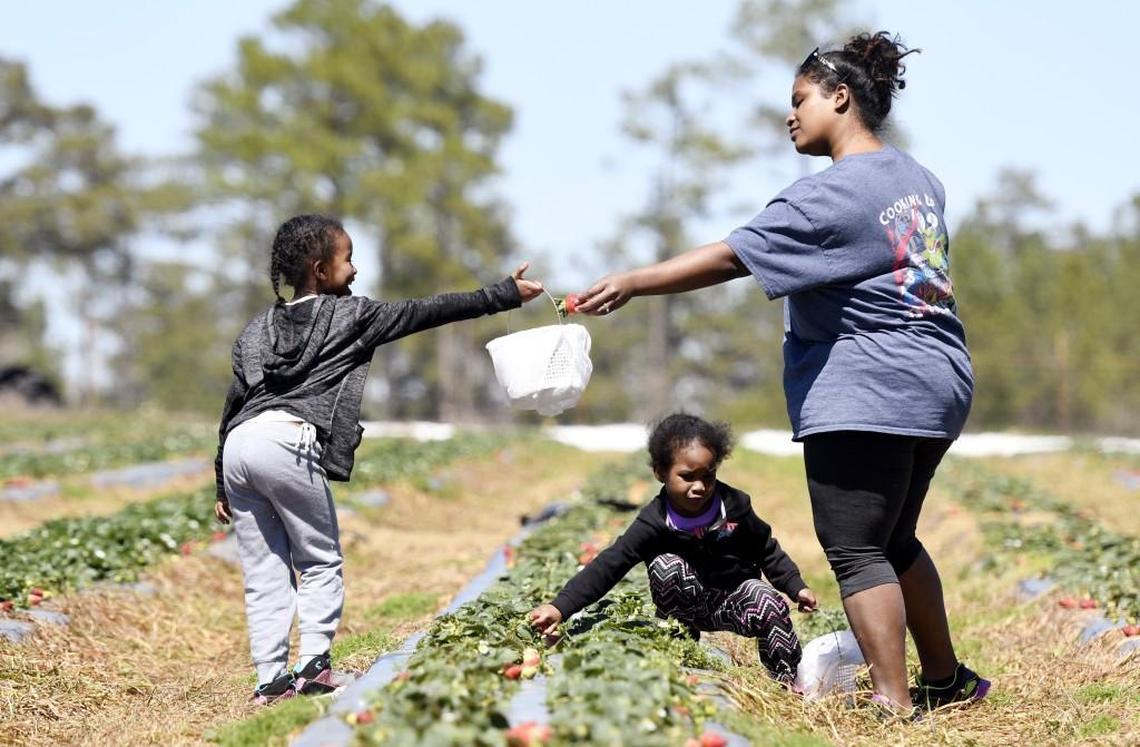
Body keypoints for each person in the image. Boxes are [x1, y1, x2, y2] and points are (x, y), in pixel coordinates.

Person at [572, 32, 988, 716]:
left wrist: (635, 281)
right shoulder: (918, 179)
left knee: (856, 548)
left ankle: (893, 705)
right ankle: (944, 679)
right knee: (894, 537)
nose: (789, 115)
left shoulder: (830, 199)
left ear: (841, 97)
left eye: (800, 100)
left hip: (868, 388)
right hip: (940, 377)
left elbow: (733, 256)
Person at [214, 214, 543, 705]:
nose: (356, 269)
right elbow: (426, 311)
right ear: (321, 270)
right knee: (319, 558)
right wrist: (502, 295)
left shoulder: (255, 330)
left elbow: (234, 403)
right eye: (348, 260)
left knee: (264, 569)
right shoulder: (353, 317)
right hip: (286, 439)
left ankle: (269, 681)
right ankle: (314, 669)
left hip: (240, 444)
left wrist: (221, 481)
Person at [529, 413, 817, 685]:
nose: (700, 486)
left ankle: (786, 679)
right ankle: (679, 646)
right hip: (684, 607)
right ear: (660, 473)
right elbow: (610, 564)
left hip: (733, 599)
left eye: (708, 475)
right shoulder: (654, 522)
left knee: (767, 601)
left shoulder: (734, 506)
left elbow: (766, 548)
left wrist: (795, 586)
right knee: (666, 565)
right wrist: (560, 607)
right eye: (688, 476)